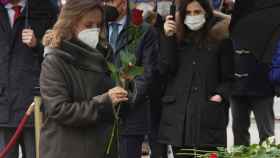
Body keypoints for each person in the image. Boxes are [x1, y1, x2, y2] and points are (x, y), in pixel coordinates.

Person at [39, 0, 129, 157]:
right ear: (70, 23)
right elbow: (59, 109)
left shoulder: (103, 54)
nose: (94, 30)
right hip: (67, 150)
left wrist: (126, 89)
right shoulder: (55, 60)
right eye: (88, 25)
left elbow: (114, 102)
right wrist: (105, 102)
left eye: (98, 25)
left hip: (100, 147)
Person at [158, 0, 233, 157]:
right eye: (189, 12)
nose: (193, 16)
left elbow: (229, 79)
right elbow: (165, 69)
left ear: (206, 12)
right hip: (180, 122)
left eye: (197, 12)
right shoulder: (176, 39)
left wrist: (219, 96)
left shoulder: (220, 40)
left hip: (208, 120)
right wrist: (167, 37)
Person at [0, 0, 56, 157]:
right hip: (4, 107)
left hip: (34, 106)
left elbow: (57, 52)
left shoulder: (46, 8)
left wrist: (37, 44)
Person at [104, 0, 159, 157]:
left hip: (130, 115)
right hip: (100, 112)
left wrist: (126, 97)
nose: (107, 4)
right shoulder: (96, 27)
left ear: (123, 3)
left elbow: (148, 73)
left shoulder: (144, 31)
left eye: (111, 1)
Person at [229, 0, 277, 146]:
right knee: (239, 132)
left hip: (262, 88)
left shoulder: (269, 24)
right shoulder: (232, 27)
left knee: (267, 136)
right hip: (237, 89)